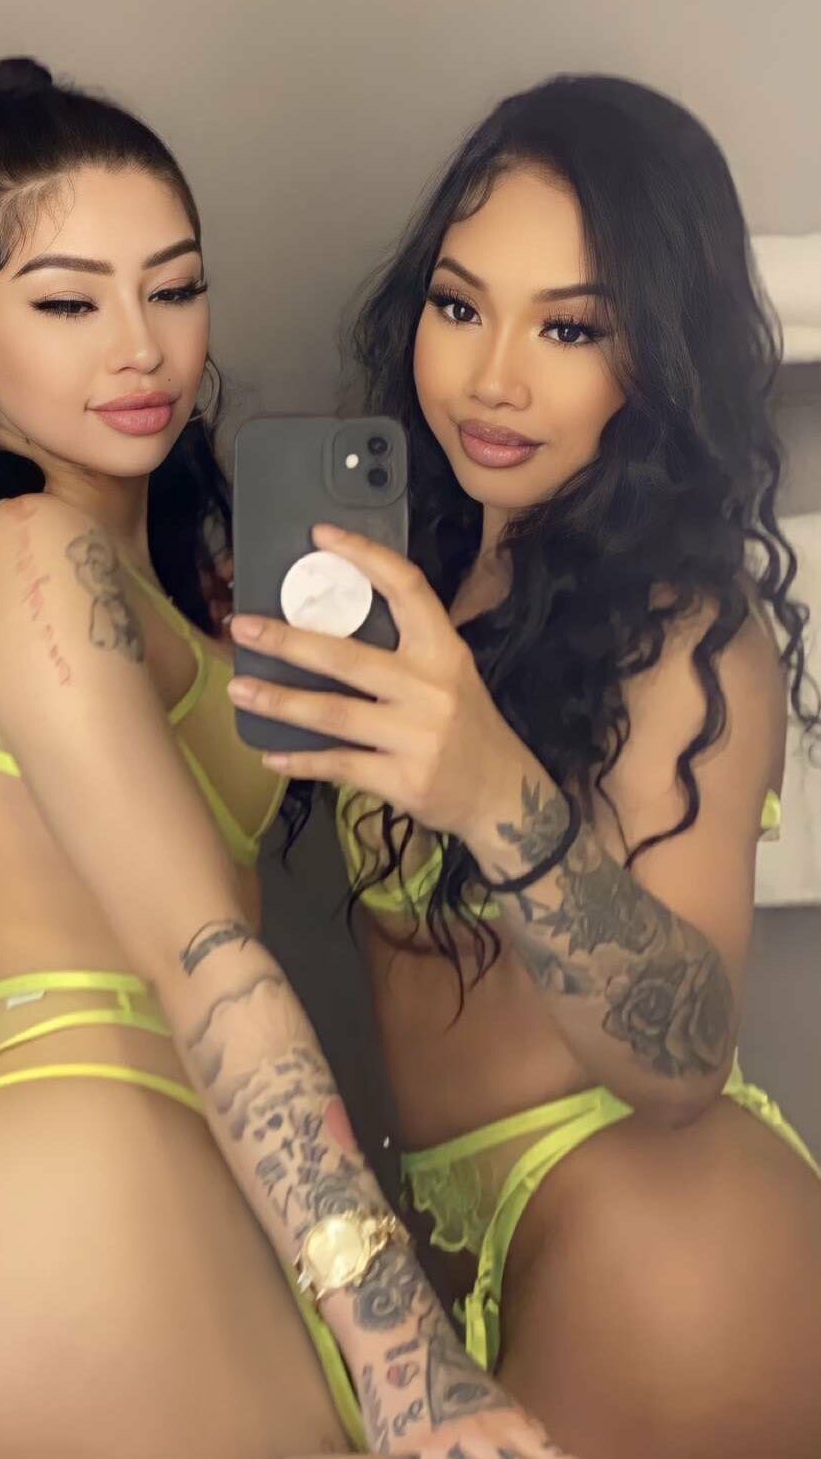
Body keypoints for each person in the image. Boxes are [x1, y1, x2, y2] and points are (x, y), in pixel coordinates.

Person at [0, 57, 570, 1459]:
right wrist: (405, 1359)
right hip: (65, 1218)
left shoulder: (135, 582)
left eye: (176, 288)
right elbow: (206, 959)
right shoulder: (36, 554)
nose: (138, 347)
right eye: (67, 303)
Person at [225, 74, 821, 1459]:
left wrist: (492, 789)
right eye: (458, 306)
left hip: (664, 1256)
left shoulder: (685, 631)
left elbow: (684, 1053)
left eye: (569, 328)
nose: (493, 377)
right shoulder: (424, 590)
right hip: (469, 1249)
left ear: (657, 358)